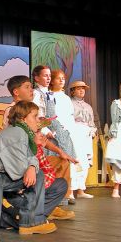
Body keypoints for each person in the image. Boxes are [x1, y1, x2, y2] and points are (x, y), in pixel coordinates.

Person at [0, 101, 68, 236]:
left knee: (39, 174)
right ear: (23, 118)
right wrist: (30, 167)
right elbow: (18, 170)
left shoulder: (24, 134)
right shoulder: (16, 132)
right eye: (34, 116)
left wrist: (31, 166)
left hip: (3, 175)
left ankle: (30, 221)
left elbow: (30, 157)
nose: (37, 120)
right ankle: (18, 219)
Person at [2, 75, 75, 221]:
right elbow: (18, 141)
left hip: (35, 154)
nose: (32, 90)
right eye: (27, 87)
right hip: (24, 159)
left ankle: (52, 205)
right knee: (42, 171)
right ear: (16, 92)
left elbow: (40, 138)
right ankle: (36, 210)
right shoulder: (13, 111)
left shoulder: (30, 111)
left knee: (62, 162)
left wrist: (60, 151)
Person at [32, 65, 79, 204]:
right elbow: (38, 115)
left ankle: (64, 196)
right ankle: (50, 198)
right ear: (36, 78)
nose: (48, 78)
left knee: (65, 160)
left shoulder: (49, 94)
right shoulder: (36, 94)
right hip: (46, 130)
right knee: (51, 162)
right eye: (45, 75)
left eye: (49, 76)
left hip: (56, 127)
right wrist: (45, 130)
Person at [49, 70, 93, 199]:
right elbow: (52, 115)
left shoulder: (65, 97)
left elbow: (69, 116)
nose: (62, 80)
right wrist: (58, 129)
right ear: (52, 80)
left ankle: (75, 190)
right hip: (58, 132)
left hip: (71, 131)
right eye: (59, 78)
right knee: (61, 161)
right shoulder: (50, 96)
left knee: (76, 160)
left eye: (63, 78)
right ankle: (66, 192)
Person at [70, 80, 97, 197]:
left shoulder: (88, 106)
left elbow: (91, 122)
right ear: (73, 91)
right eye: (78, 88)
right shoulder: (70, 103)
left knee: (85, 161)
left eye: (83, 89)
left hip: (86, 133)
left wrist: (92, 131)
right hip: (75, 132)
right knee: (76, 160)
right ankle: (71, 190)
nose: (81, 90)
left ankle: (81, 189)